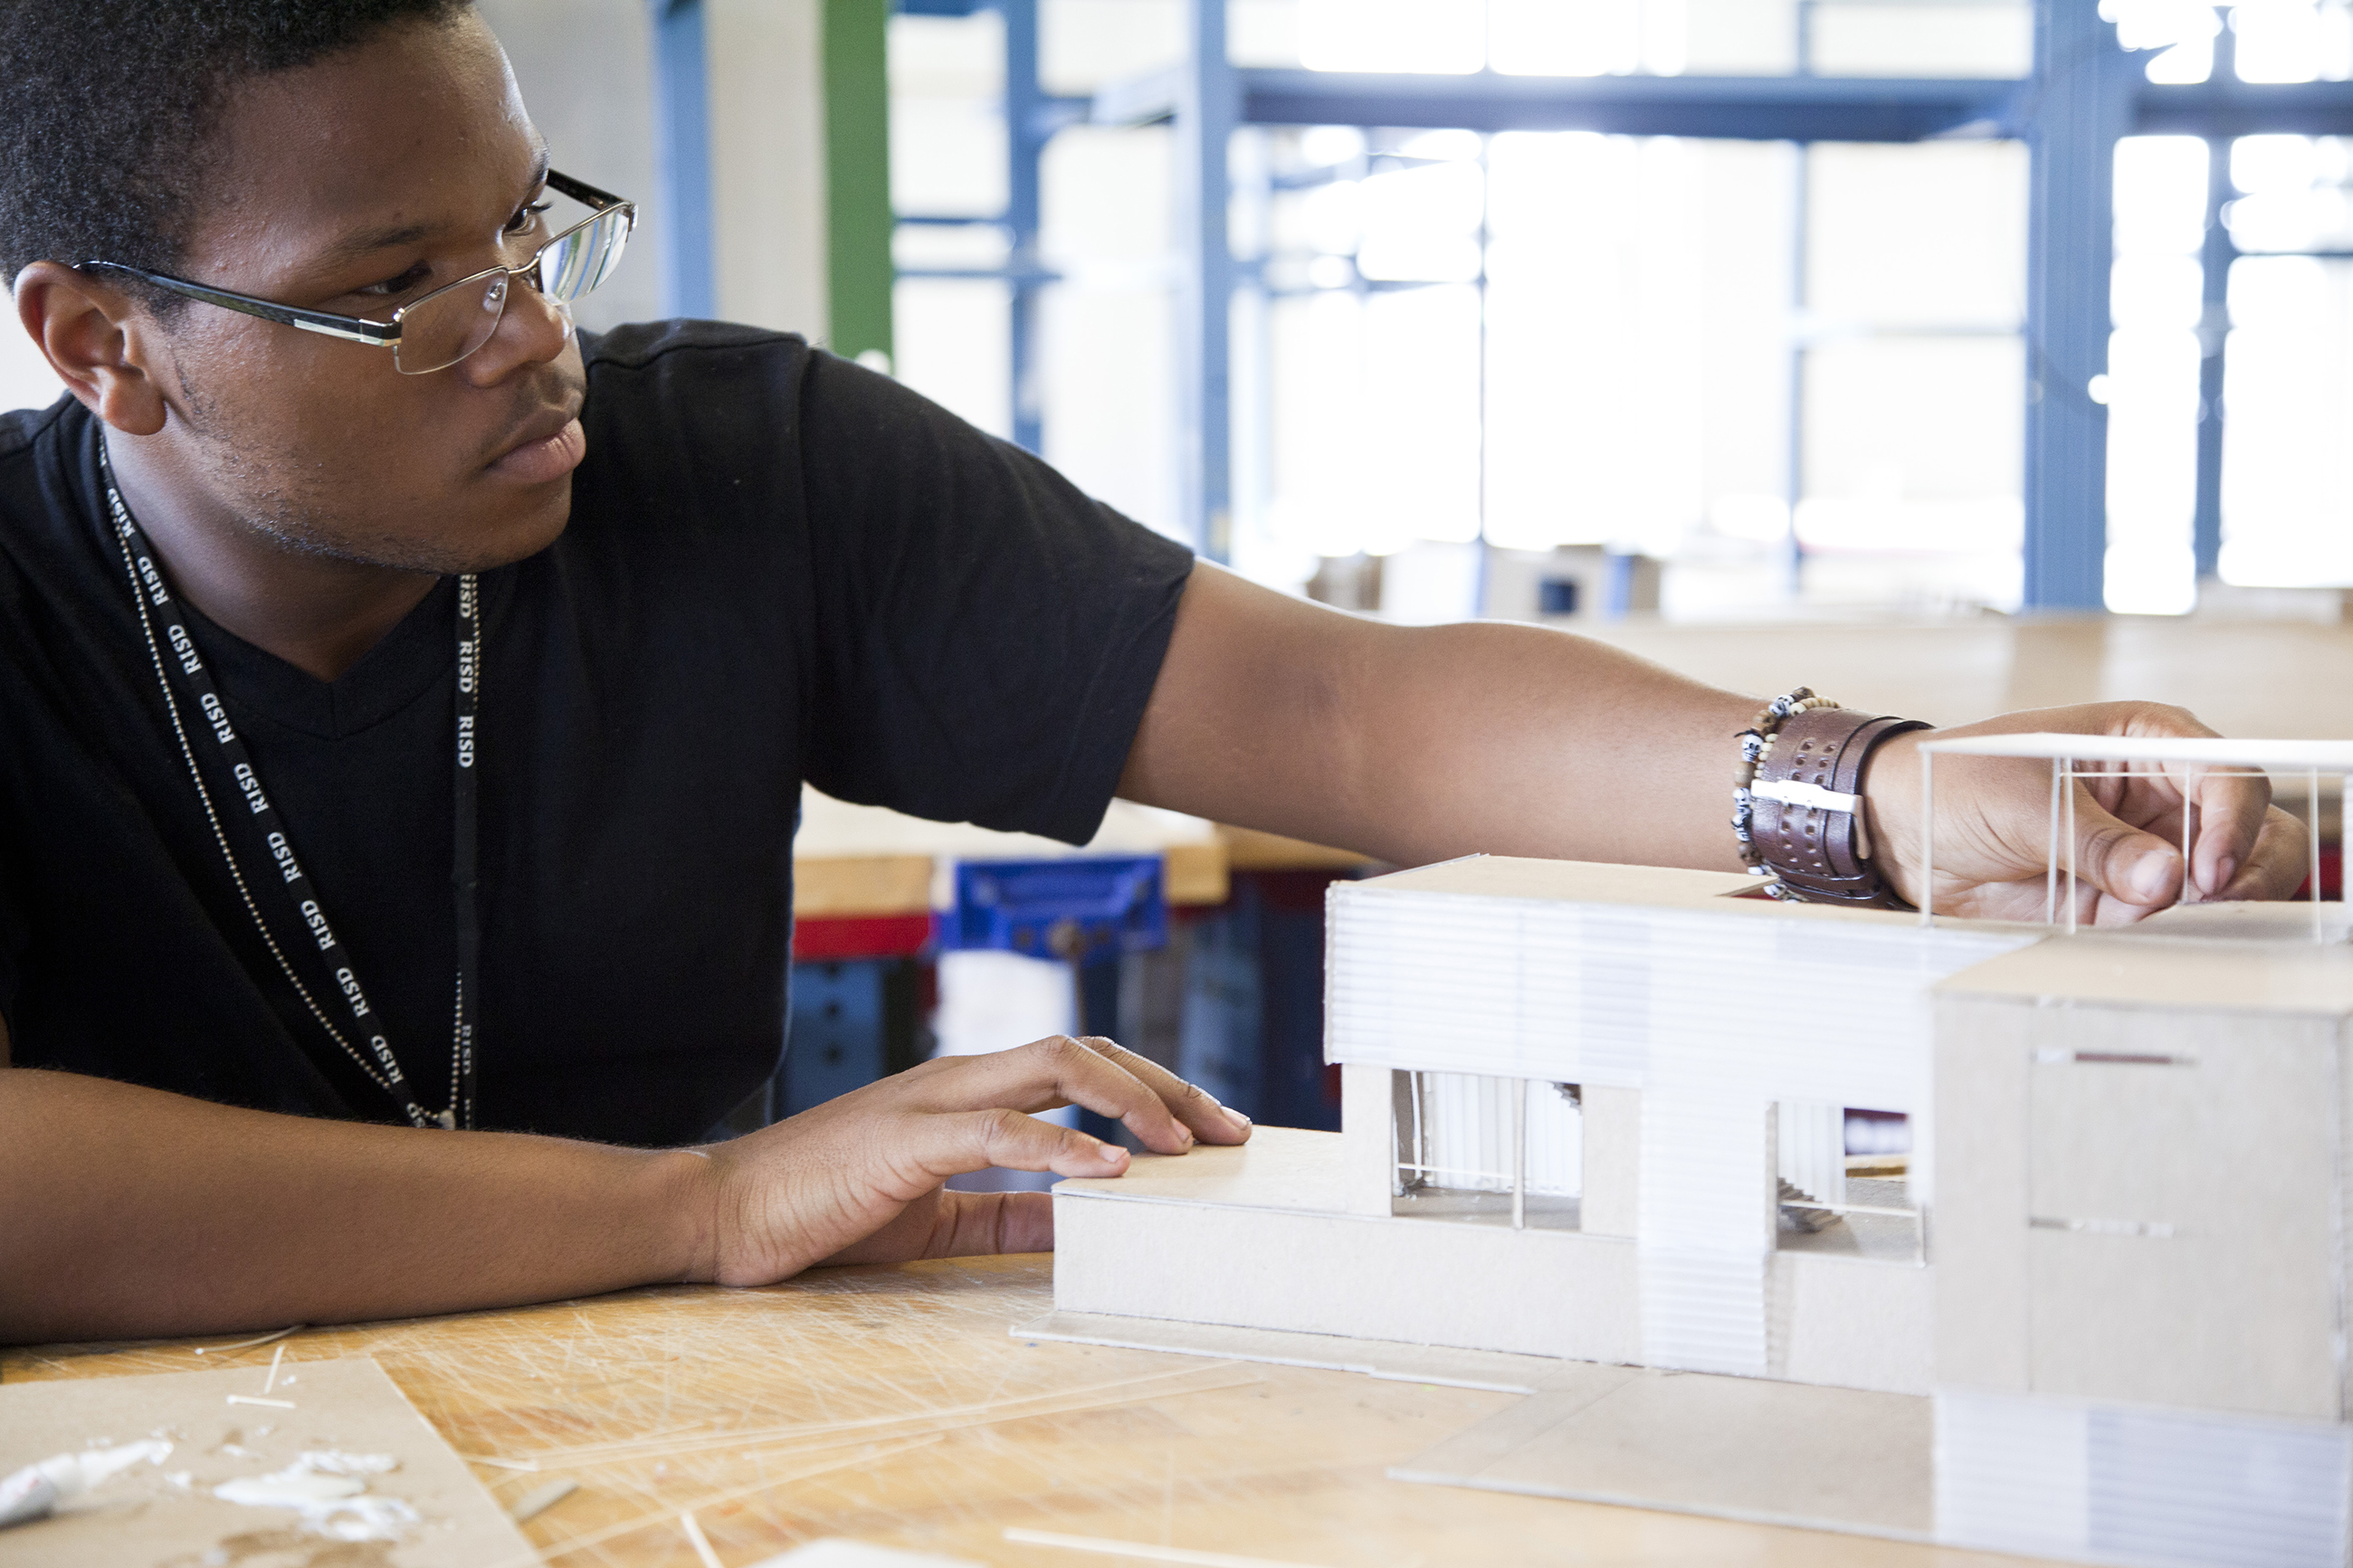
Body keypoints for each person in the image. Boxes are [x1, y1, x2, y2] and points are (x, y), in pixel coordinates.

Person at [0, 0, 2304, 1346]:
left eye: (527, 222)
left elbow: (1336, 715)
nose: (528, 331)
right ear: (106, 344)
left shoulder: (737, 465)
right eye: (403, 282)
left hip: (674, 1421)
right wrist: (702, 1206)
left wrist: (1872, 793)